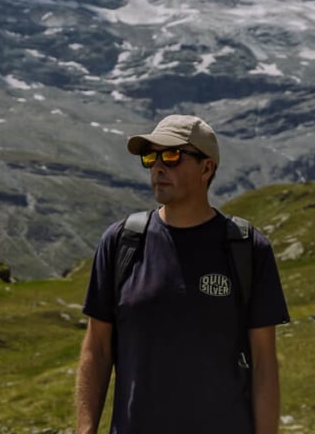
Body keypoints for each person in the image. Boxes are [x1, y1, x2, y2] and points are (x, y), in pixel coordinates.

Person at [75, 114, 289, 434]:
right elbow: (97, 348)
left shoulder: (247, 248)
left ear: (207, 168)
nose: (158, 167)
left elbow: (263, 363)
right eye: (151, 157)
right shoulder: (121, 242)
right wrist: (85, 429)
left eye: (172, 156)